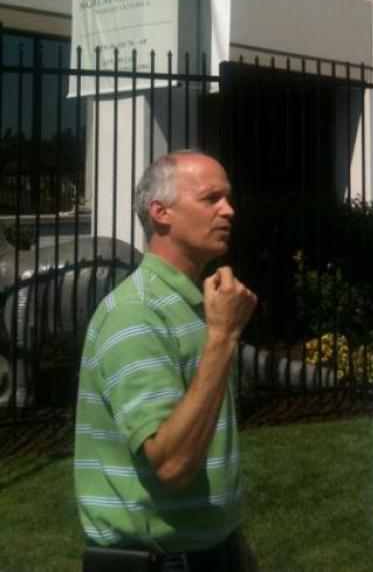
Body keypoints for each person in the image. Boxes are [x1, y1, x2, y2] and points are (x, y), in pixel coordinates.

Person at [74, 151, 258, 571]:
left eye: (228, 198)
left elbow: (206, 444)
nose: (229, 210)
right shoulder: (136, 313)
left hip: (210, 551)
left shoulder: (195, 305)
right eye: (211, 198)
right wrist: (224, 336)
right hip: (160, 562)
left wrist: (230, 539)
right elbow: (172, 464)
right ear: (161, 213)